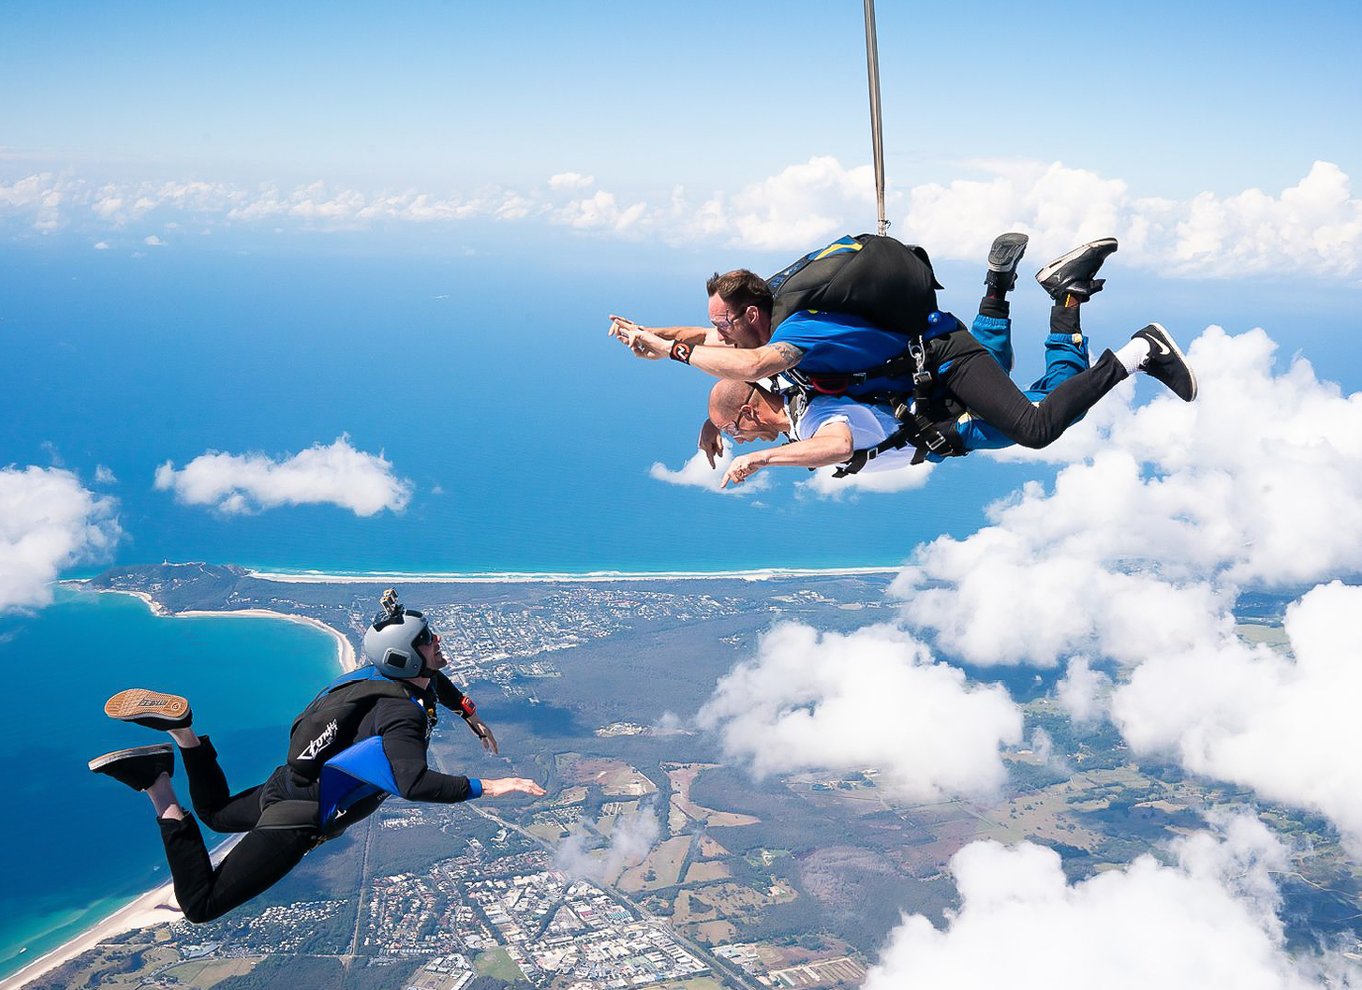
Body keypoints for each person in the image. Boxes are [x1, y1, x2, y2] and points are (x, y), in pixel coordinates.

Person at [87, 590, 546, 923]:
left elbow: (433, 683)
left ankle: (184, 733)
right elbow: (413, 783)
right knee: (201, 907)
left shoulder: (377, 677)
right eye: (427, 638)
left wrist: (467, 712)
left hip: (286, 783)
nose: (437, 640)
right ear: (408, 658)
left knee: (213, 813)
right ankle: (156, 784)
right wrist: (490, 786)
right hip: (299, 819)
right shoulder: (400, 717)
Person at [609, 234, 1197, 455]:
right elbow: (714, 345)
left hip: (939, 357)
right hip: (926, 360)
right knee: (1005, 368)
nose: (719, 332)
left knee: (1035, 425)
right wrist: (652, 335)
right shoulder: (770, 319)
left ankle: (1140, 351)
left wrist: (666, 351)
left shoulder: (792, 338)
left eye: (726, 324)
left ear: (752, 315)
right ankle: (1041, 292)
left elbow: (753, 362)